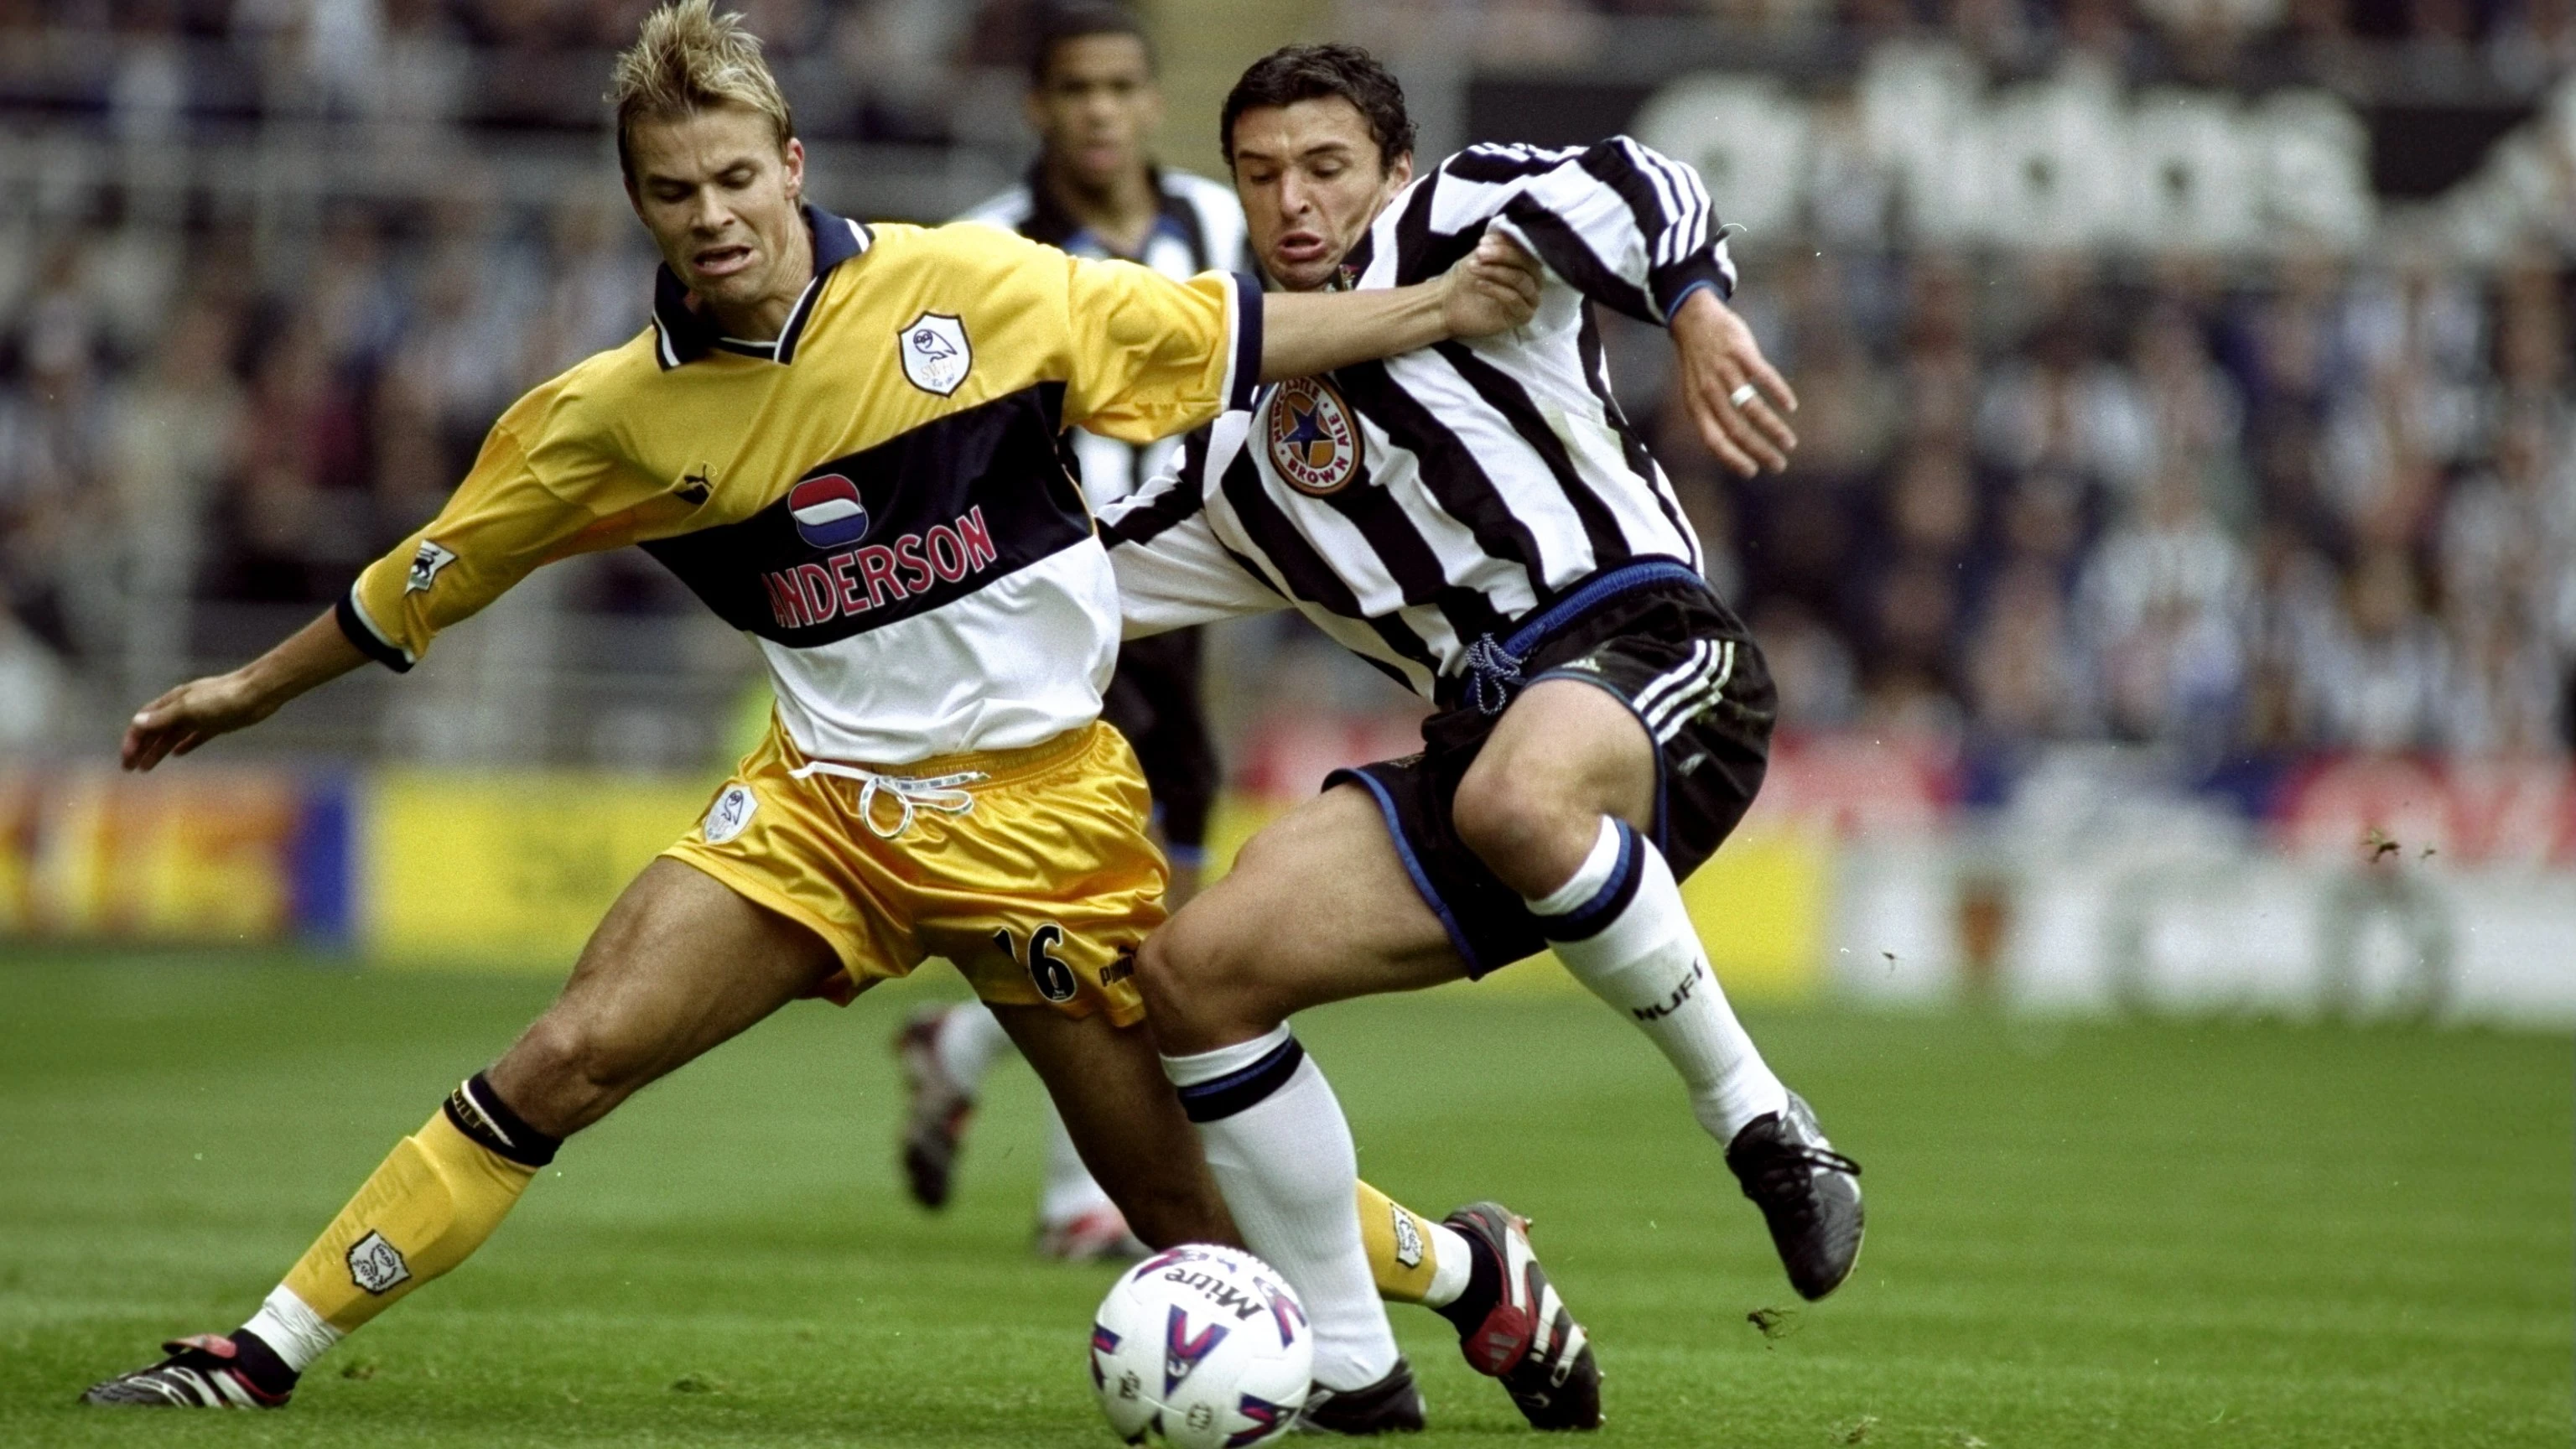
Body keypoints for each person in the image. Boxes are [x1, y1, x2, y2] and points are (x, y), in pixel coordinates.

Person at [77, 3, 1543, 1415]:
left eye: (732, 176)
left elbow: (1227, 336)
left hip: (1041, 816)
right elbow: (428, 579)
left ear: (789, 163)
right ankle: (258, 1350)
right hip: (821, 814)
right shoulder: (608, 419)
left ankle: (1470, 1268)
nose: (711, 214)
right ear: (637, 204)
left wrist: (1443, 305)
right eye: (671, 190)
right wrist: (248, 690)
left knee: (1176, 1199)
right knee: (568, 1054)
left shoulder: (976, 287)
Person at [1099, 44, 1866, 1431]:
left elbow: (1637, 183)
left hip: (1650, 652)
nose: (1295, 202)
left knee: (1516, 797)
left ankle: (1763, 1125)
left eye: (1325, 166)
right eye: (1261, 175)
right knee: (1194, 974)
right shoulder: (1238, 452)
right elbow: (1069, 593)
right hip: (1486, 747)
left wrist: (1693, 311)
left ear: (1390, 166)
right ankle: (1350, 1358)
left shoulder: (1455, 221)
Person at [893, 0, 1244, 1264]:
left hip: (1178, 594)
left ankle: (963, 1043)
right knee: (1112, 900)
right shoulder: (980, 246)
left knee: (1175, 896)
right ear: (1038, 106)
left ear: (1151, 101)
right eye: (1075, 90)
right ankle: (1077, 1198)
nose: (1100, 110)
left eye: (1120, 87)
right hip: (1045, 602)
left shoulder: (1217, 221)